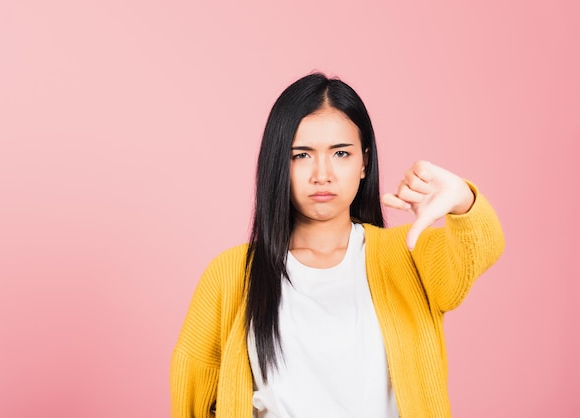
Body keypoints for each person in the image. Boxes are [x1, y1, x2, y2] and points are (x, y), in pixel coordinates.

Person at [170, 73, 504, 418]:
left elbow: (478, 251)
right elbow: (195, 393)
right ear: (277, 164)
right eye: (301, 155)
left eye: (341, 153)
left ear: (364, 162)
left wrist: (462, 200)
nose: (322, 174)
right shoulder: (231, 274)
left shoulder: (407, 255)